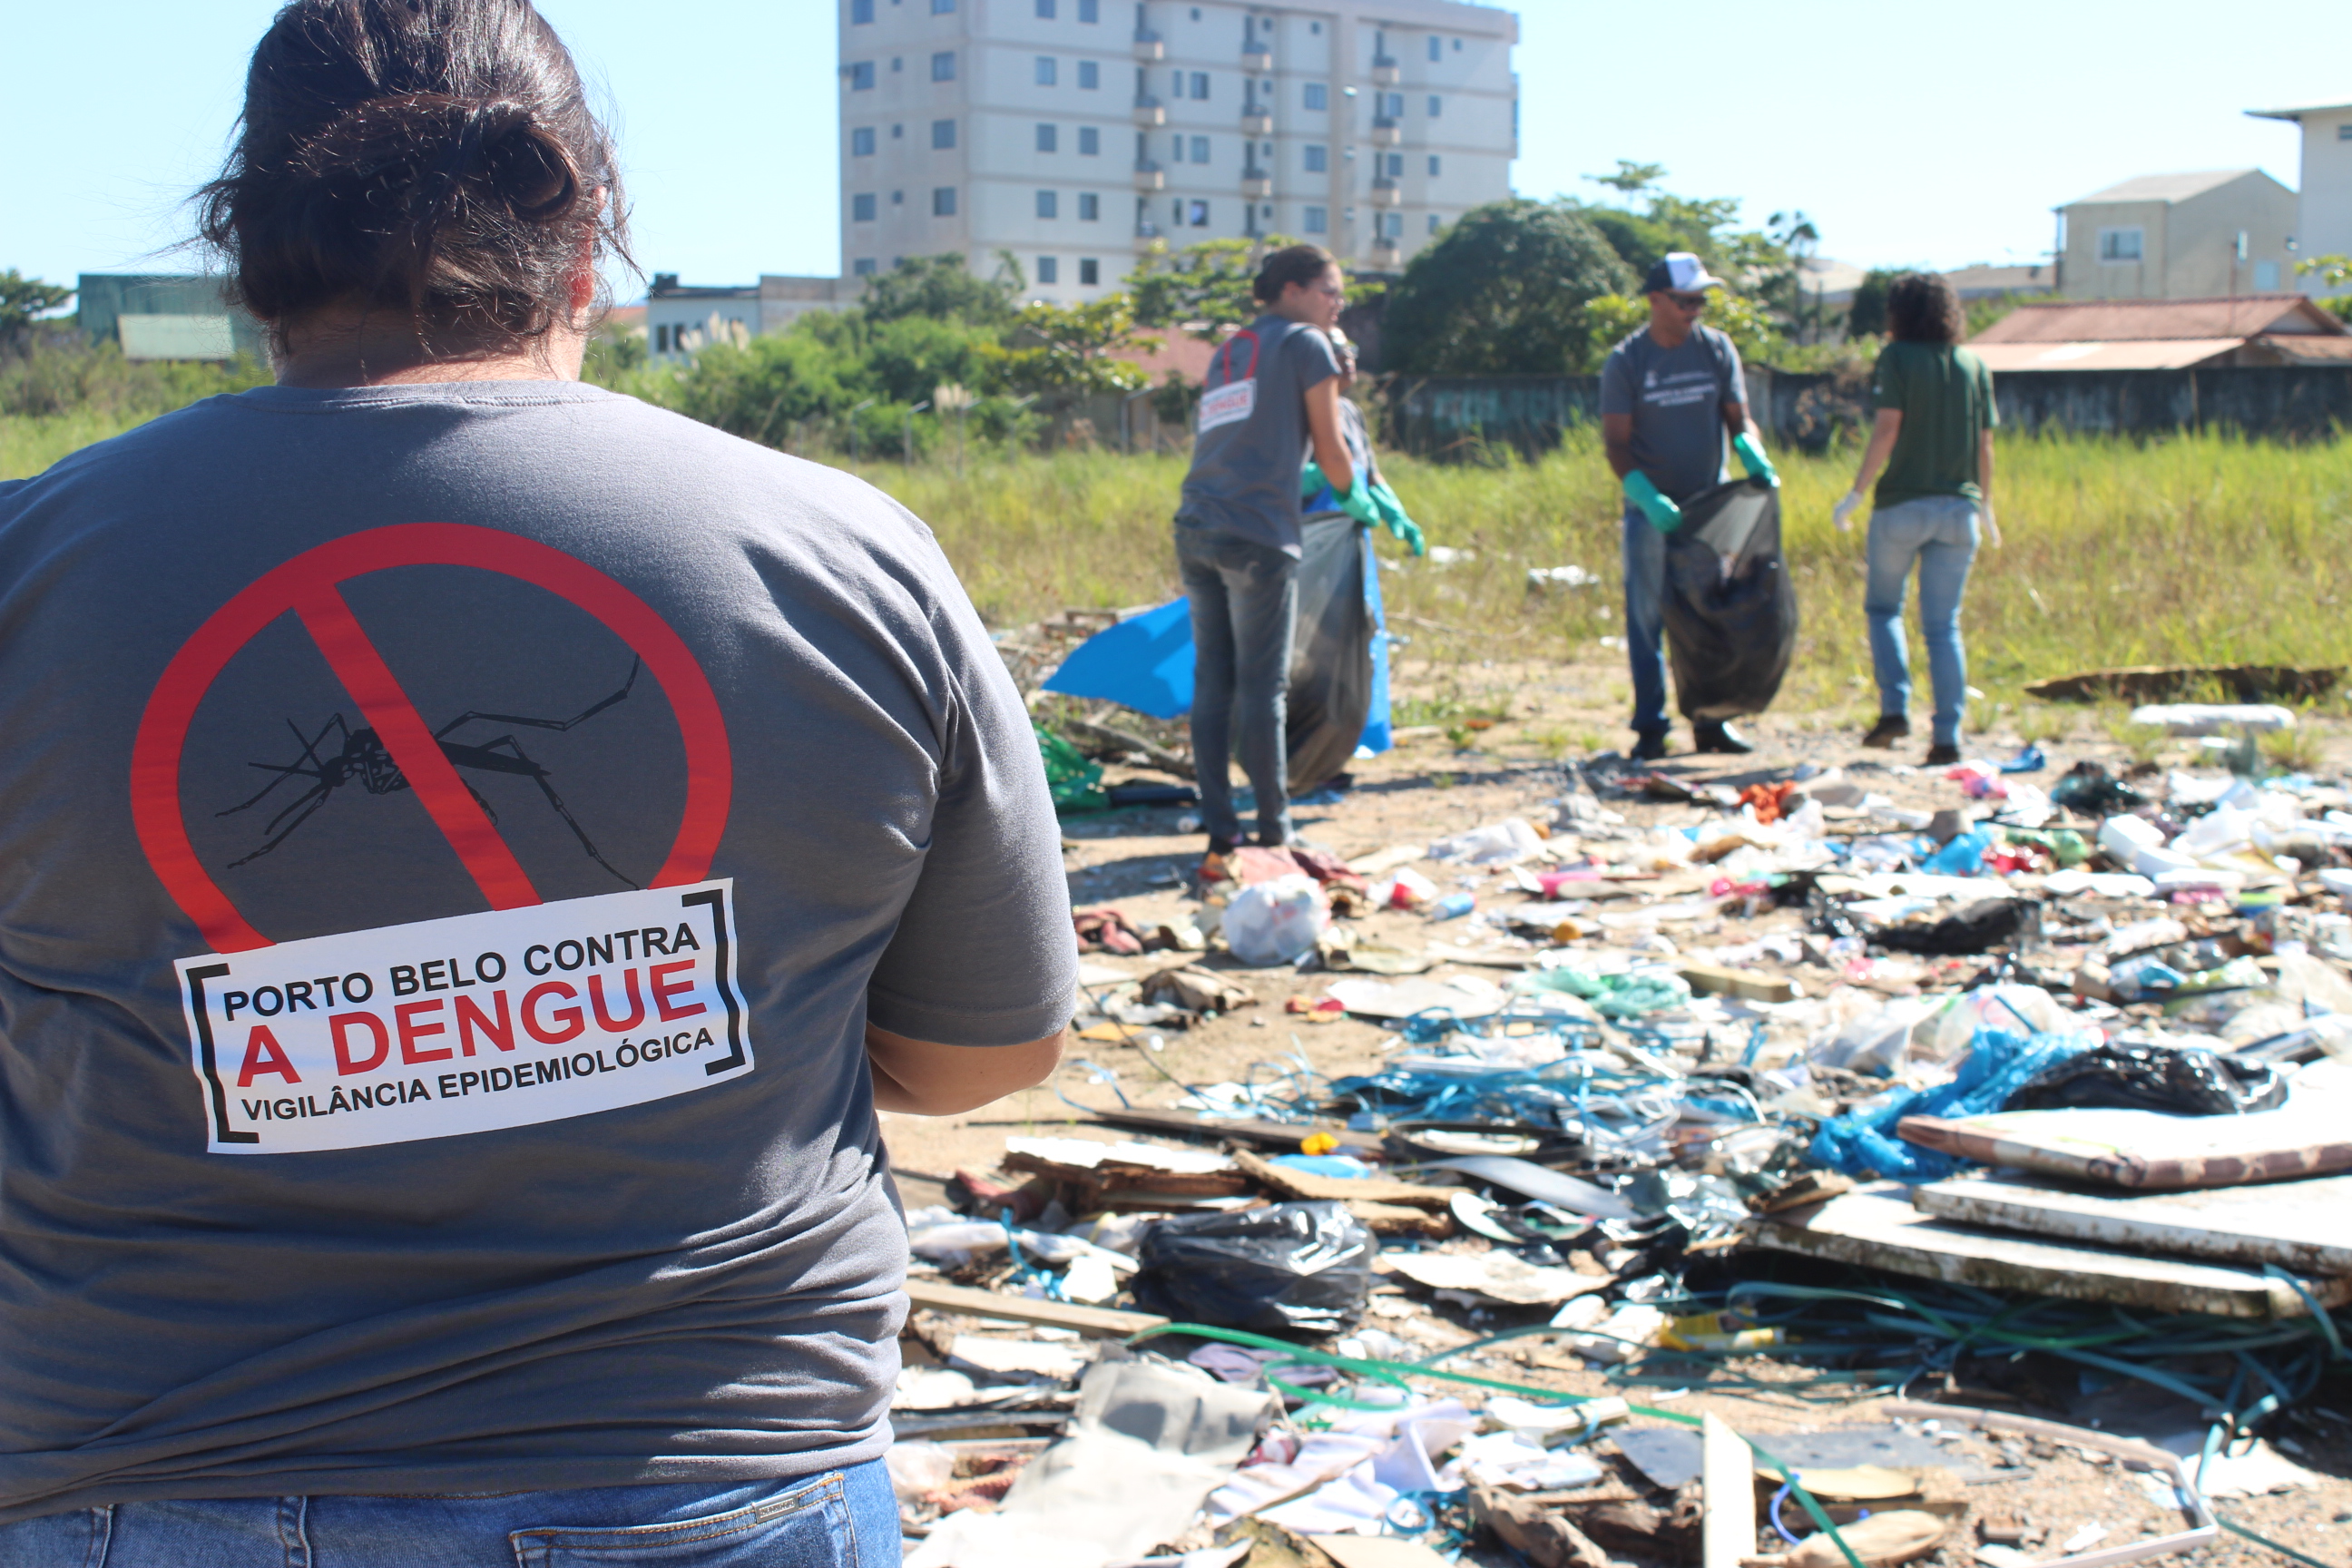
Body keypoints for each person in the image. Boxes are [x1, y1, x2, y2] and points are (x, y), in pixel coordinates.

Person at [0, 1, 1071, 1560]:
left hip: (148, 1473)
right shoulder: (843, 555)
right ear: (590, 233)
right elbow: (985, 1051)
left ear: (251, 249)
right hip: (716, 1471)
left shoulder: (34, 566)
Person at [1173, 244, 1371, 853]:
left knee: (1214, 683)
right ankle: (1273, 827)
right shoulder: (1306, 343)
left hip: (1196, 524)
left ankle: (1220, 825)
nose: (1338, 305)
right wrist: (1355, 496)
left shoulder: (1234, 348)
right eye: (1329, 291)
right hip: (1257, 533)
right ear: (1291, 289)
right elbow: (1331, 443)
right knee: (1264, 688)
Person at [1600, 252, 1779, 760]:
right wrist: (1646, 496)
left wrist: (1750, 450)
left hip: (1709, 510)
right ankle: (1650, 728)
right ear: (1656, 301)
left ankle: (1712, 721)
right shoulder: (1628, 362)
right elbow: (1616, 442)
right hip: (1651, 512)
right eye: (1685, 300)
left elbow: (1738, 419)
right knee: (1647, 620)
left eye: (1701, 299)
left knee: (1712, 617)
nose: (1696, 308)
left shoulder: (1716, 349)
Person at [1832, 270, 1999, 767]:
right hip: (1959, 510)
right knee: (1943, 625)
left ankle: (1894, 708)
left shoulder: (1898, 357)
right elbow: (1985, 444)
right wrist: (1986, 505)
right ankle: (1947, 737)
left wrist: (1856, 491)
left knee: (1885, 609)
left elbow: (1887, 428)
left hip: (1902, 506)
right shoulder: (1973, 364)